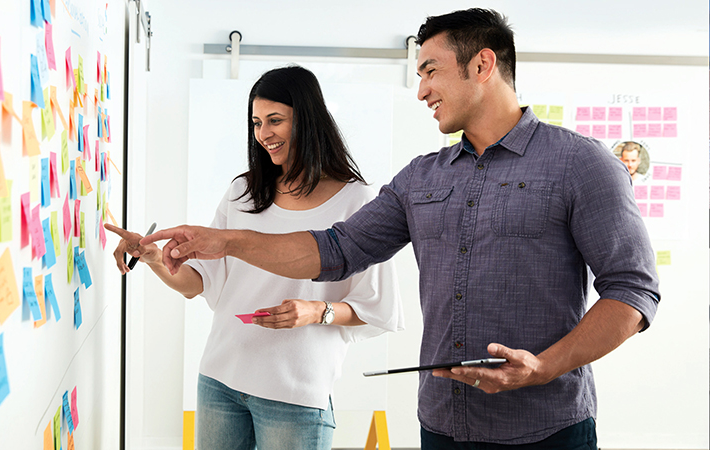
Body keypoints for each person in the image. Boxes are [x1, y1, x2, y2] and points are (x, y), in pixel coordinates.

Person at [142, 9, 660, 450]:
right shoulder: (420, 178)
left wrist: (544, 366)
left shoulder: (580, 164)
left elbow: (633, 291)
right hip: (439, 425)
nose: (421, 90)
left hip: (545, 428)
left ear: (483, 64)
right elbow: (335, 250)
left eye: (430, 71)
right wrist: (225, 240)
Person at [106, 65, 403, 450]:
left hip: (295, 394)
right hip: (220, 380)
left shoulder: (358, 201)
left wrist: (316, 312)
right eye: (257, 123)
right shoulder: (243, 192)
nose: (264, 135)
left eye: (275, 120)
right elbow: (198, 282)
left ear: (308, 119)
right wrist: (152, 257)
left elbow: (376, 306)